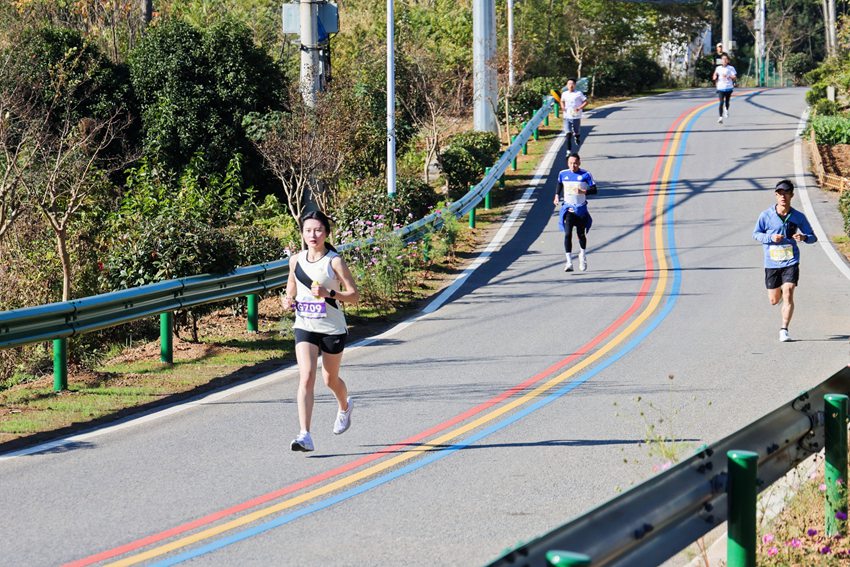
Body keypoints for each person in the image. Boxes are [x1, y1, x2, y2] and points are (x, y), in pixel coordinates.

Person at [282, 210, 360, 451]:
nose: (312, 235)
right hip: (305, 325)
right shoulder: (296, 260)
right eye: (307, 231)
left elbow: (355, 296)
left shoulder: (334, 261)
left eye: (317, 230)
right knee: (306, 376)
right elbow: (291, 287)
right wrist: (288, 300)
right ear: (302, 234)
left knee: (330, 379)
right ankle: (304, 434)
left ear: (326, 232)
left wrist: (330, 294)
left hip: (332, 328)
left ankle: (344, 406)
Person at [752, 179, 817, 342]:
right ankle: (778, 290)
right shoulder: (766, 216)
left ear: (791, 195)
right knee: (774, 300)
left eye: (786, 193)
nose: (783, 196)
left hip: (791, 260)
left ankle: (784, 330)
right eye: (780, 193)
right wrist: (770, 237)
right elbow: (756, 234)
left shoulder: (798, 216)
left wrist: (803, 237)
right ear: (776, 195)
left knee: (788, 292)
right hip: (772, 262)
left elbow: (812, 237)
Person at [553, 153, 597, 272]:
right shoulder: (563, 174)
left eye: (576, 163)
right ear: (568, 163)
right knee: (568, 234)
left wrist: (583, 191)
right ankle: (569, 262)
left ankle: (582, 255)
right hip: (569, 209)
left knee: (581, 235)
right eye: (571, 163)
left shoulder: (586, 175)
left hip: (581, 210)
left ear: (580, 162)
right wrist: (557, 195)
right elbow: (559, 184)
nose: (574, 165)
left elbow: (594, 189)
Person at [560, 79, 588, 153]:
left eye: (572, 84)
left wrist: (579, 108)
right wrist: (562, 107)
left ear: (575, 85)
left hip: (576, 116)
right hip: (566, 116)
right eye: (569, 84)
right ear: (567, 85)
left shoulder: (579, 93)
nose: (571, 85)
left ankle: (577, 137)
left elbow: (586, 102)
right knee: (568, 133)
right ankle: (568, 151)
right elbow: (561, 101)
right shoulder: (564, 93)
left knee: (576, 131)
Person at [713, 53, 737, 124]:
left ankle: (726, 110)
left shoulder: (731, 68)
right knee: (721, 102)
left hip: (728, 87)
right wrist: (714, 77)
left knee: (727, 102)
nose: (724, 60)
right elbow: (715, 74)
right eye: (723, 59)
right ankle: (720, 117)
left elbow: (734, 77)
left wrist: (728, 76)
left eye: (726, 59)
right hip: (720, 87)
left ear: (728, 60)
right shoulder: (718, 68)